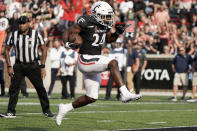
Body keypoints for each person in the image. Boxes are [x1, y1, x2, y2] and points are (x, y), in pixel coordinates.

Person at [56, 1, 142, 126]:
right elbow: (68, 31)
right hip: (85, 59)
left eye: (109, 16)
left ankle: (65, 107)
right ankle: (125, 93)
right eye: (106, 16)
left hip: (94, 59)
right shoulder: (85, 21)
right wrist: (67, 43)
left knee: (91, 97)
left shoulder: (105, 26)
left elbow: (108, 40)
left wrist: (117, 33)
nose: (108, 19)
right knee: (113, 63)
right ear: (96, 14)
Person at [0, 16, 53, 118]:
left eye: (23, 23)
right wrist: (9, 66)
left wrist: (42, 66)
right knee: (13, 89)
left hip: (33, 65)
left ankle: (47, 110)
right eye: (20, 23)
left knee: (40, 88)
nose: (21, 25)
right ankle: (11, 111)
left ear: (29, 23)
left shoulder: (36, 34)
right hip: (19, 65)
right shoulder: (14, 35)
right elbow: (6, 49)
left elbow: (44, 49)